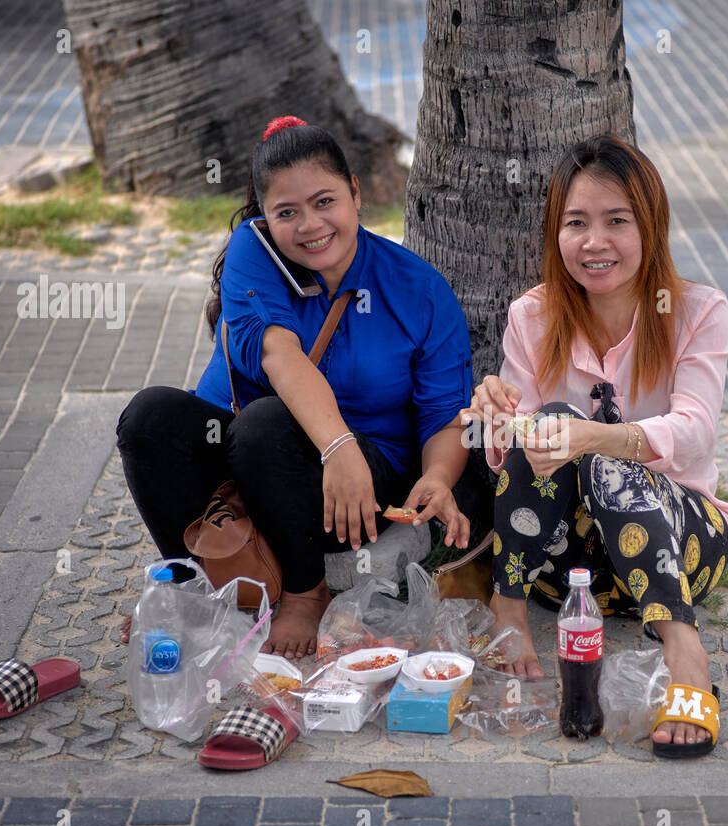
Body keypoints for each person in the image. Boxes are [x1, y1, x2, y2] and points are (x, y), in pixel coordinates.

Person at [117, 116, 475, 658]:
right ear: (265, 217)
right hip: (252, 467)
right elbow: (279, 357)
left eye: (325, 201)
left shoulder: (418, 288)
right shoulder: (252, 252)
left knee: (266, 423)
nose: (310, 225)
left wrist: (438, 478)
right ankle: (193, 587)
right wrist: (338, 445)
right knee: (150, 417)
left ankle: (305, 595)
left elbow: (443, 414)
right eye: (287, 212)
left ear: (355, 192)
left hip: (349, 500)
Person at [463, 134, 728, 757]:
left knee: (598, 452)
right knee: (552, 423)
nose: (595, 242)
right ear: (554, 234)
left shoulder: (697, 310)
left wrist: (598, 439)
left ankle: (685, 653)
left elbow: (695, 430)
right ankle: (508, 611)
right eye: (576, 223)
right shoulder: (531, 316)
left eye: (616, 221)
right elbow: (520, 449)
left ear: (650, 225)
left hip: (678, 551)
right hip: (562, 573)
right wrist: (495, 416)